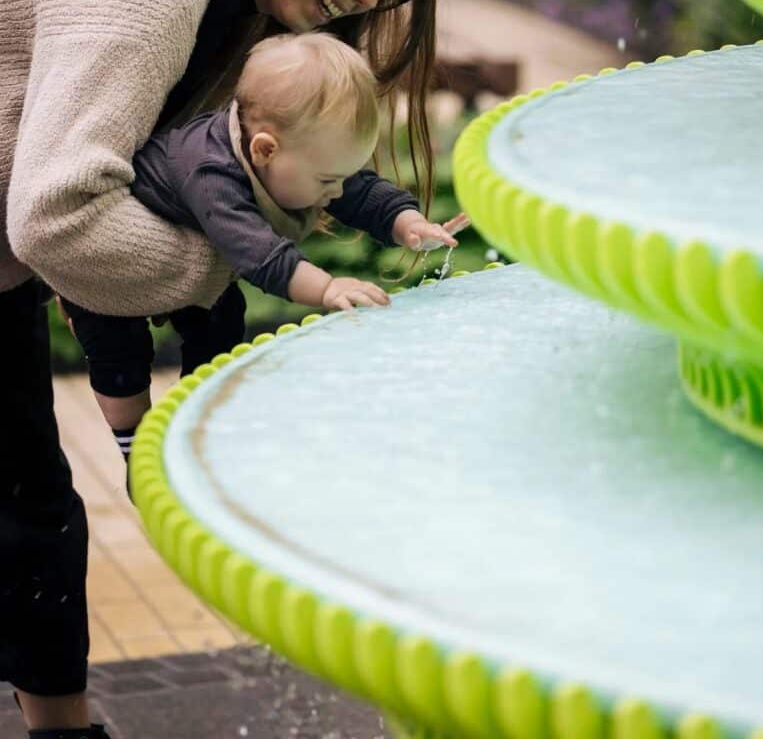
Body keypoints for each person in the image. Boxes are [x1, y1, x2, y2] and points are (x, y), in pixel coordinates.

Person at [1, 0, 444, 737]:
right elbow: (60, 213)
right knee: (26, 511)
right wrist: (246, 267)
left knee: (28, 512)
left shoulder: (237, 0)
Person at [60, 32, 465, 473]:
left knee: (221, 320)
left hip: (185, 254)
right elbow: (257, 253)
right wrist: (327, 288)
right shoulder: (210, 171)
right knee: (118, 348)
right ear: (265, 149)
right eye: (327, 179)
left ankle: (202, 425)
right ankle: (134, 446)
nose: (335, 191)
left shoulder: (296, 154)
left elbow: (357, 189)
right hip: (109, 264)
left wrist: (407, 222)